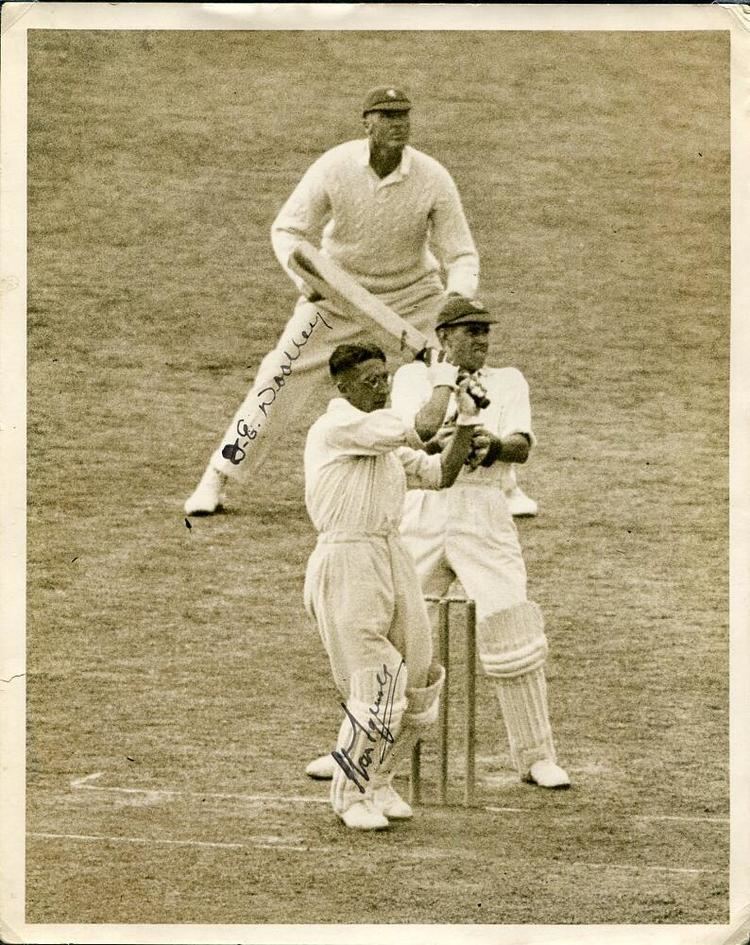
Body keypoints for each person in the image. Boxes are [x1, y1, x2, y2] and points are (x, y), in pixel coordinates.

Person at [184, 85, 536, 518]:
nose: (397, 125)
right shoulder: (334, 167)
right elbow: (288, 231)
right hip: (337, 300)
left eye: (403, 116)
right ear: (366, 122)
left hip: (414, 297)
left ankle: (503, 482)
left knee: (461, 372)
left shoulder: (432, 177)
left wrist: (455, 304)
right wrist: (305, 279)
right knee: (277, 375)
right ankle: (217, 477)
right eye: (387, 116)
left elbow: (460, 253)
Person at [305, 296, 568, 788]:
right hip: (417, 513)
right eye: (471, 332)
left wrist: (489, 444)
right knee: (382, 640)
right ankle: (352, 753)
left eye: (485, 332)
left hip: (484, 512)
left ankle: (536, 756)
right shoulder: (406, 379)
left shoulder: (509, 380)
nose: (482, 340)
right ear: (445, 338)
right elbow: (413, 436)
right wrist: (448, 403)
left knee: (513, 628)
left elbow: (522, 445)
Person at [303, 341, 481, 830]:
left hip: (390, 556)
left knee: (419, 681)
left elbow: (441, 473)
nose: (380, 388)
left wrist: (465, 419)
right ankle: (350, 795)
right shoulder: (338, 425)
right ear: (342, 387)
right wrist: (443, 379)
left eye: (385, 379)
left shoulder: (379, 444)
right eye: (369, 381)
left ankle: (380, 781)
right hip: (346, 560)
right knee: (379, 682)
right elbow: (422, 426)